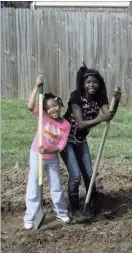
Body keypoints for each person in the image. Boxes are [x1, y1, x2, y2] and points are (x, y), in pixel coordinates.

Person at [60, 64, 121, 222]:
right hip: (66, 140)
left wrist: (117, 100)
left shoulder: (100, 97)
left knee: (89, 174)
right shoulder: (76, 97)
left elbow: (109, 114)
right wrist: (101, 119)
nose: (92, 85)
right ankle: (75, 210)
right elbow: (80, 123)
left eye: (95, 82)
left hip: (80, 139)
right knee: (75, 175)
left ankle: (94, 209)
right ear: (83, 84)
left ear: (99, 84)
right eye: (88, 82)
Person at [24, 75, 71, 229]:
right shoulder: (42, 117)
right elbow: (30, 106)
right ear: (45, 109)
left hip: (51, 157)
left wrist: (48, 149)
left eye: (55, 106)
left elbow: (61, 146)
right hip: (36, 155)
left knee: (56, 185)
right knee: (34, 186)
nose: (52, 109)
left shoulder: (65, 125)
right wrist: (37, 87)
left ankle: (61, 212)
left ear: (59, 104)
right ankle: (30, 217)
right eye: (49, 107)